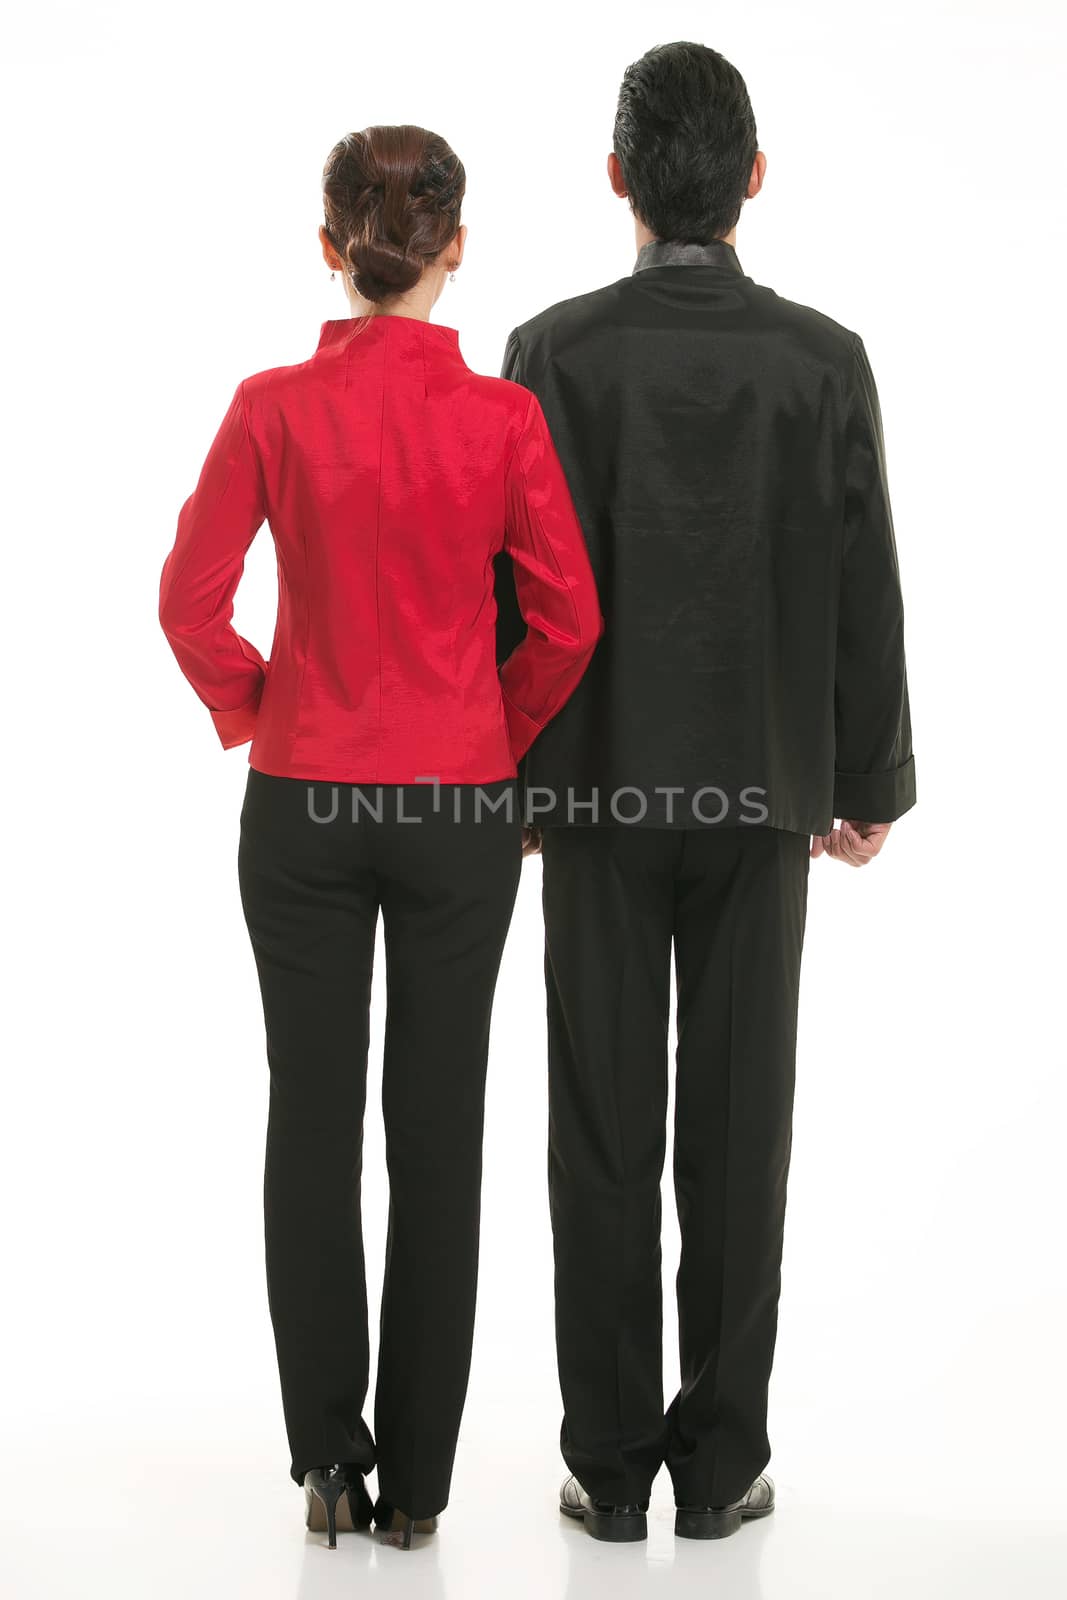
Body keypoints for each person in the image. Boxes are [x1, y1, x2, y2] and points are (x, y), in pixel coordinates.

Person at [158, 124, 602, 1551]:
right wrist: (493, 727)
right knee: (438, 1134)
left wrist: (265, 704)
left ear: (333, 252)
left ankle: (324, 1463)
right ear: (455, 250)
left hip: (303, 798)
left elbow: (189, 600)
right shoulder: (503, 423)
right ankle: (416, 1483)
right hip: (460, 805)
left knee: (310, 1120)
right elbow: (573, 622)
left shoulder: (271, 407)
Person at [495, 43, 916, 1542]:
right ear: (753, 175)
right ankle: (721, 1459)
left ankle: (608, 1468)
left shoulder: (550, 354)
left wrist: (514, 777)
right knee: (742, 1129)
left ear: (618, 178)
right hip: (760, 800)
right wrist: (870, 776)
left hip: (594, 800)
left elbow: (511, 591)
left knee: (600, 1126)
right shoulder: (824, 360)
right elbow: (866, 587)